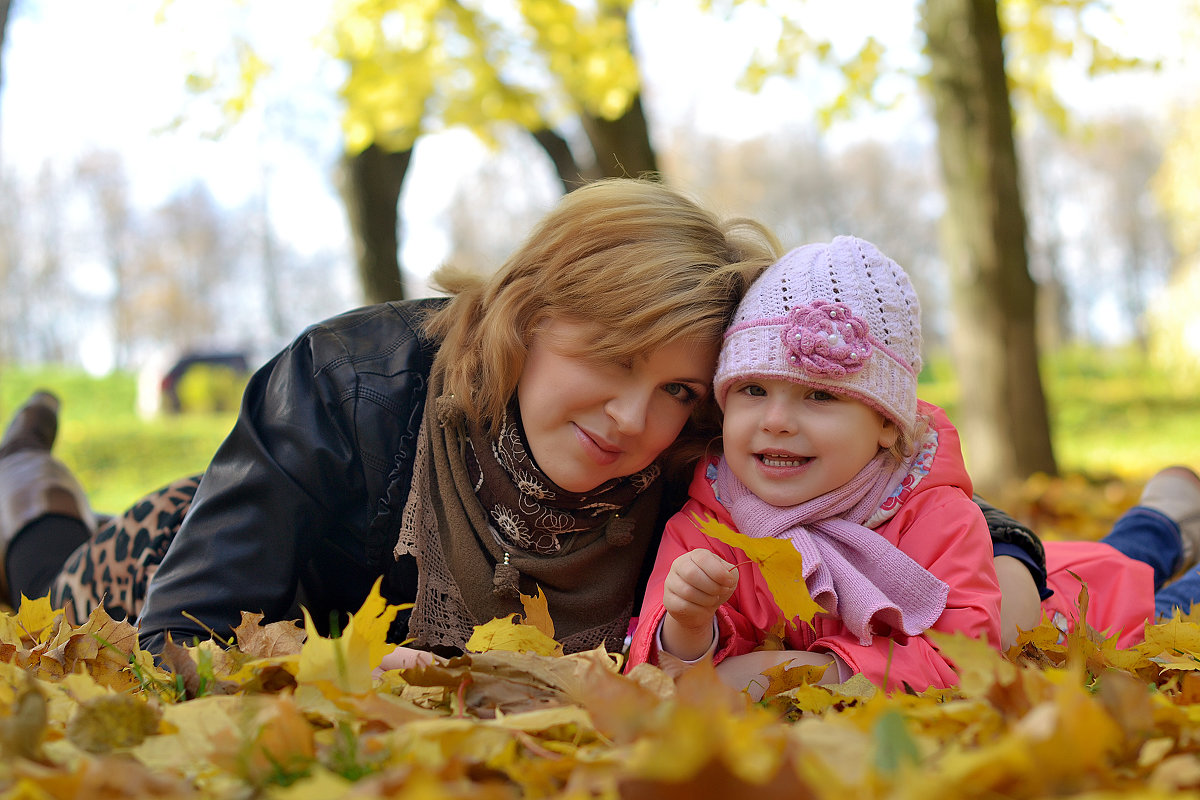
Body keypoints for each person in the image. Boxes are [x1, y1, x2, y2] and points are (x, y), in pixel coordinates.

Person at [0, 178, 784, 659]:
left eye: (677, 390)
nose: (630, 418)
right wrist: (352, 672)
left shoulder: (696, 468)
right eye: (614, 355)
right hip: (183, 547)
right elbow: (182, 631)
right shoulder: (347, 380)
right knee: (43, 582)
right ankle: (25, 486)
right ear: (529, 310)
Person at [627, 235, 1002, 693]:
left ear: (886, 423)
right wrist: (687, 624)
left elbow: (968, 659)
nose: (777, 421)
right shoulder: (707, 526)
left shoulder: (937, 520)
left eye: (820, 395)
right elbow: (659, 681)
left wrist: (818, 676)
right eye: (753, 390)